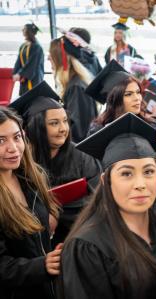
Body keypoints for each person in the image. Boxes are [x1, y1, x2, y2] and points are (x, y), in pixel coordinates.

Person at [60, 113, 156, 298]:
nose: (140, 183)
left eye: (149, 171)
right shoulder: (88, 247)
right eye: (127, 174)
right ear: (105, 180)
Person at [9, 81, 101, 246]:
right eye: (54, 123)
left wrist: (56, 211)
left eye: (65, 121)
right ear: (37, 126)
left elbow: (97, 199)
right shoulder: (20, 161)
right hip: (34, 241)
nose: (63, 128)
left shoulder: (83, 156)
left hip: (77, 236)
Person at [0, 106, 61, 299]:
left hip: (47, 288)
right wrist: (42, 265)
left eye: (17, 137)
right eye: (1, 141)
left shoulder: (30, 179)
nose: (13, 148)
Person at [48, 35, 97, 143]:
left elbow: (79, 131)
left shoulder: (77, 88)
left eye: (51, 55)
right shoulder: (72, 83)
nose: (48, 58)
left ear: (60, 58)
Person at [85, 60, 144, 135]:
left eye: (138, 92)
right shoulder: (98, 133)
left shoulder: (147, 125)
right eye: (128, 94)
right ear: (113, 99)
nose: (137, 98)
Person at [12, 23, 45, 95]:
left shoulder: (37, 47)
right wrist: (16, 73)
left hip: (33, 78)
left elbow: (32, 63)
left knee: (33, 99)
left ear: (29, 31)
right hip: (25, 78)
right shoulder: (23, 46)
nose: (22, 30)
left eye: (24, 29)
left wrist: (21, 74)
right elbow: (19, 61)